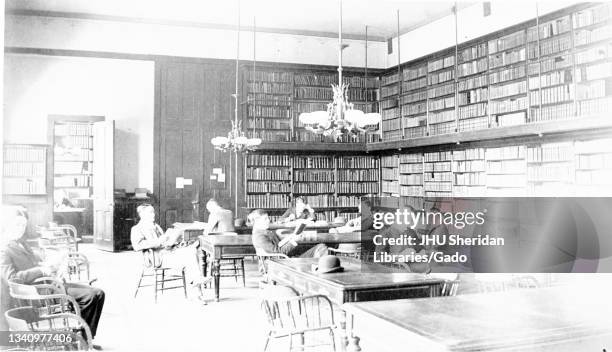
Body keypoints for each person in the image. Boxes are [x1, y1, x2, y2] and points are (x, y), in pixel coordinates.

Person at [0, 206, 105, 341]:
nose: (21, 228)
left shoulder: (21, 243)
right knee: (93, 295)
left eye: (23, 225)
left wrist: (53, 267)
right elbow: (11, 278)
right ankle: (83, 340)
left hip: (49, 284)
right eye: (17, 224)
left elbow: (35, 264)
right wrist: (42, 270)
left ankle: (85, 338)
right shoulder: (3, 248)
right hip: (38, 293)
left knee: (98, 295)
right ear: (7, 224)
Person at [130, 204, 209, 296]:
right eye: (150, 212)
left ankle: (196, 283)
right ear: (142, 215)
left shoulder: (156, 226)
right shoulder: (137, 229)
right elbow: (137, 245)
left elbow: (165, 242)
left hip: (168, 253)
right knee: (190, 257)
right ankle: (198, 290)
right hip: (157, 258)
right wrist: (159, 241)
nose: (154, 214)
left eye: (153, 212)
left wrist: (175, 242)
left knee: (191, 250)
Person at [249, 209, 327, 258]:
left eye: (268, 218)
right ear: (257, 222)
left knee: (319, 247)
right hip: (281, 263)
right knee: (321, 248)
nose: (268, 221)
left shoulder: (264, 232)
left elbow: (278, 245)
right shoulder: (259, 236)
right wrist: (294, 241)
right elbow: (279, 252)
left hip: (285, 258)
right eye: (265, 219)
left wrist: (290, 237)